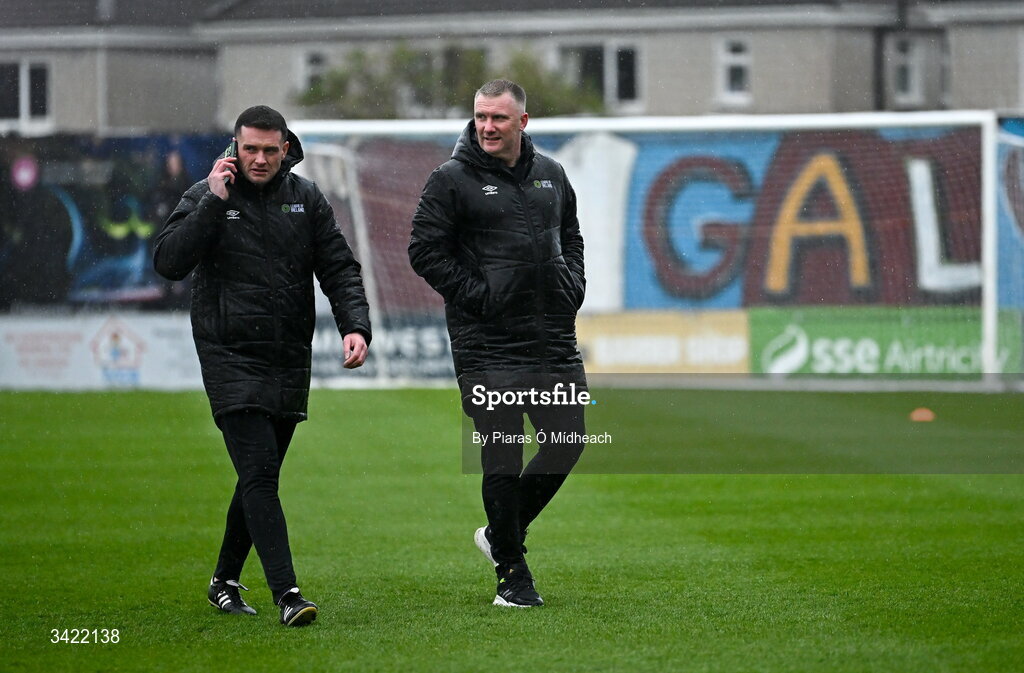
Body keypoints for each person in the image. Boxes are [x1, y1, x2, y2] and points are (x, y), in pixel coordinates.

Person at [154, 105, 371, 626]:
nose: (260, 159)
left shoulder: (306, 198)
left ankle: (224, 580)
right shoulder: (206, 195)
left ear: (285, 148)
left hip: (286, 356)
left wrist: (355, 325)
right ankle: (288, 594)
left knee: (261, 474)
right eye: (250, 149)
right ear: (235, 147)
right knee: (258, 473)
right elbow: (168, 261)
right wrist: (212, 200)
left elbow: (338, 266)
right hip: (228, 354)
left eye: (270, 150)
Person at [409, 80, 588, 608]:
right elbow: (424, 250)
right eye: (481, 116)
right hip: (488, 344)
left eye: (499, 118)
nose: (487, 126)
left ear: (522, 123)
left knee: (568, 441)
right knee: (504, 455)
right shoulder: (450, 180)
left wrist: (570, 285)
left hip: (552, 336)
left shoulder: (552, 175)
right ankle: (512, 576)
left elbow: (571, 234)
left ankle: (497, 534)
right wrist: (481, 296)